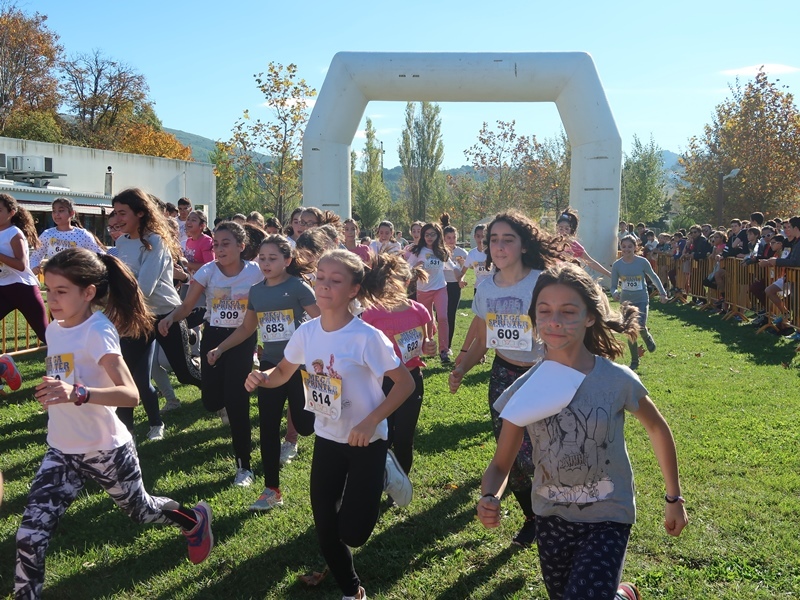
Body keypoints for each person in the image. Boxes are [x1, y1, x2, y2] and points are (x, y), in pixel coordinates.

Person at [477, 262, 687, 600]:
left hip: (609, 514)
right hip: (551, 516)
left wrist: (674, 497)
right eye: (544, 310)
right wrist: (490, 497)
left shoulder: (616, 379)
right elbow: (501, 464)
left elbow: (658, 429)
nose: (554, 320)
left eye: (568, 311)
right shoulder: (525, 390)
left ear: (590, 316)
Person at [15, 248, 213, 599]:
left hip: (105, 448)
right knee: (30, 533)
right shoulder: (56, 329)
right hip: (61, 449)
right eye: (49, 290)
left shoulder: (98, 331)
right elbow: (64, 374)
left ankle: (194, 522)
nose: (51, 299)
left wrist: (77, 392)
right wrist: (52, 390)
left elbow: (129, 394)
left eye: (62, 291)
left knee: (142, 511)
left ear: (88, 292)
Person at [244, 249, 415, 600]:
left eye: (335, 281)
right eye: (320, 277)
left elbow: (406, 385)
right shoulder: (307, 333)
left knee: (353, 533)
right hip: (327, 439)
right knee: (325, 527)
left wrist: (370, 423)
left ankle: (384, 471)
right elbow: (282, 374)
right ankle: (353, 591)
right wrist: (262, 378)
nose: (323, 286)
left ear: (353, 289)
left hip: (367, 442)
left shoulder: (367, 337)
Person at [450, 210, 561, 548]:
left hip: (544, 375)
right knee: (511, 457)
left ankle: (558, 514)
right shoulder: (486, 288)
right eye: (493, 240)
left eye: (507, 239)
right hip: (503, 375)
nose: (498, 246)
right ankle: (533, 518)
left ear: (524, 245)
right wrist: (460, 369)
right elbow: (482, 339)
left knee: (545, 451)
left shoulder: (544, 282)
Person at [208, 234, 319, 510]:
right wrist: (220, 348)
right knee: (268, 429)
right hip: (269, 366)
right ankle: (272, 490)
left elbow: (322, 320)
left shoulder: (298, 287)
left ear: (287, 261)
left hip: (298, 366)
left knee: (305, 426)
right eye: (263, 259)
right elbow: (247, 328)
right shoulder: (256, 291)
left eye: (273, 259)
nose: (266, 264)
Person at [159, 221, 264, 486]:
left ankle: (244, 468)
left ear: (242, 246)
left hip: (242, 338)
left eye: (226, 243)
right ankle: (223, 403)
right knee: (211, 401)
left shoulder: (256, 272)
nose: (219, 248)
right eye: (216, 244)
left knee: (237, 402)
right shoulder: (207, 271)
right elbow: (187, 306)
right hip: (213, 336)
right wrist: (170, 319)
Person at [112, 188, 201, 440]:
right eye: (115, 213)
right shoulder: (120, 242)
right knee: (130, 376)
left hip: (167, 315)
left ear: (140, 213)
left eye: (122, 213)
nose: (117, 218)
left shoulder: (156, 241)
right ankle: (134, 431)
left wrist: (116, 309)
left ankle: (222, 398)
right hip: (138, 318)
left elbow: (145, 286)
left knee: (185, 373)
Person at [361, 254, 435, 480]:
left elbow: (426, 342)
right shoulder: (371, 313)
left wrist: (428, 346)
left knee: (404, 438)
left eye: (399, 281)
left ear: (407, 282)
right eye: (388, 281)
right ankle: (377, 477)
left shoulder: (419, 310)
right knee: (383, 435)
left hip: (411, 381)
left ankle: (400, 482)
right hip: (380, 383)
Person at [611, 235, 668, 370]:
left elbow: (653, 277)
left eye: (630, 246)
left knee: (640, 325)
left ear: (635, 247)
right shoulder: (617, 265)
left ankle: (647, 337)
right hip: (626, 302)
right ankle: (635, 361)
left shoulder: (642, 262)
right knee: (631, 330)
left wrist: (662, 292)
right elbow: (613, 286)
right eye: (624, 246)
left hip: (641, 299)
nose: (626, 249)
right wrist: (614, 293)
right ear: (620, 247)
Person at [406, 222, 460, 363]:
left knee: (443, 318)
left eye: (433, 234)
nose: (429, 237)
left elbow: (451, 266)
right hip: (423, 290)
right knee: (427, 320)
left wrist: (459, 273)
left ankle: (444, 350)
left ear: (438, 236)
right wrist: (415, 268)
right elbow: (407, 268)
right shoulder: (418, 251)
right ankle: (428, 346)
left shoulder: (441, 251)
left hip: (440, 288)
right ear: (423, 236)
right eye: (427, 234)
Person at [0, 194, 49, 342]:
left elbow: (21, 265)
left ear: (11, 213)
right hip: (3, 288)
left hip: (23, 288)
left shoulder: (14, 233)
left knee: (45, 334)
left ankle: (75, 360)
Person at [30, 198, 105, 275]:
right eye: (54, 211)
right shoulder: (47, 234)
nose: (56, 214)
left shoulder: (83, 235)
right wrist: (34, 267)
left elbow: (99, 255)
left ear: (72, 213)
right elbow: (35, 256)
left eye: (61, 210)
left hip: (76, 279)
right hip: (54, 277)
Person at [555, 208, 612, 278]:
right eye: (561, 228)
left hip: (568, 278)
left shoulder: (574, 246)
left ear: (571, 230)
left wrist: (609, 274)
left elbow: (590, 262)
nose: (563, 232)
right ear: (557, 228)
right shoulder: (551, 243)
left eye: (567, 228)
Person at [442, 214, 469, 350]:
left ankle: (448, 346)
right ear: (443, 238)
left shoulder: (462, 252)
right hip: (441, 286)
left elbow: (463, 272)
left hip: (454, 286)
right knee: (441, 317)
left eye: (454, 238)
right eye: (448, 238)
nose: (452, 241)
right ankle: (440, 344)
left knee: (450, 315)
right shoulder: (439, 252)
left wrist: (461, 279)